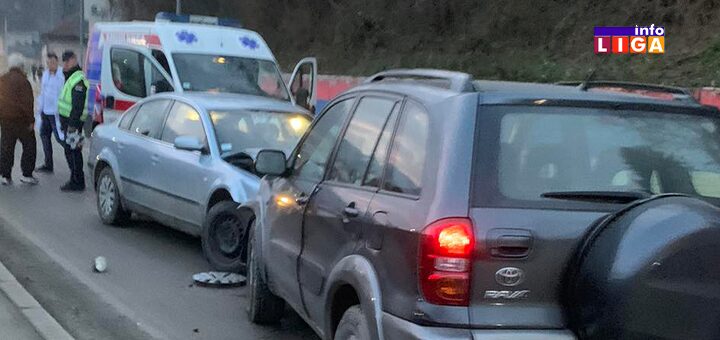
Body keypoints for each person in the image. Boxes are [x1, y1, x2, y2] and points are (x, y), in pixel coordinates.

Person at [0, 55, 38, 185]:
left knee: (6, 147)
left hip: (5, 120)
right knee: (29, 146)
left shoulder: (2, 79)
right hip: (22, 121)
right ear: (21, 66)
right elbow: (28, 103)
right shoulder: (24, 81)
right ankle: (26, 174)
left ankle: (5, 175)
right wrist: (31, 120)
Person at [58, 51, 89, 192]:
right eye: (64, 61)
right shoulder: (71, 77)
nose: (65, 64)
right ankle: (75, 179)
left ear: (74, 60)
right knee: (70, 150)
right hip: (69, 123)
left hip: (74, 124)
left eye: (67, 61)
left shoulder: (78, 80)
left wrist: (72, 125)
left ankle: (77, 181)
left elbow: (77, 106)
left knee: (74, 152)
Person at [35, 53, 66, 173]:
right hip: (45, 111)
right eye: (48, 63)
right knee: (44, 136)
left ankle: (72, 154)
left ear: (57, 62)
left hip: (56, 113)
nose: (50, 65)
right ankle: (48, 164)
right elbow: (43, 92)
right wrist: (40, 109)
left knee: (59, 138)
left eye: (52, 62)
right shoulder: (45, 75)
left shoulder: (61, 75)